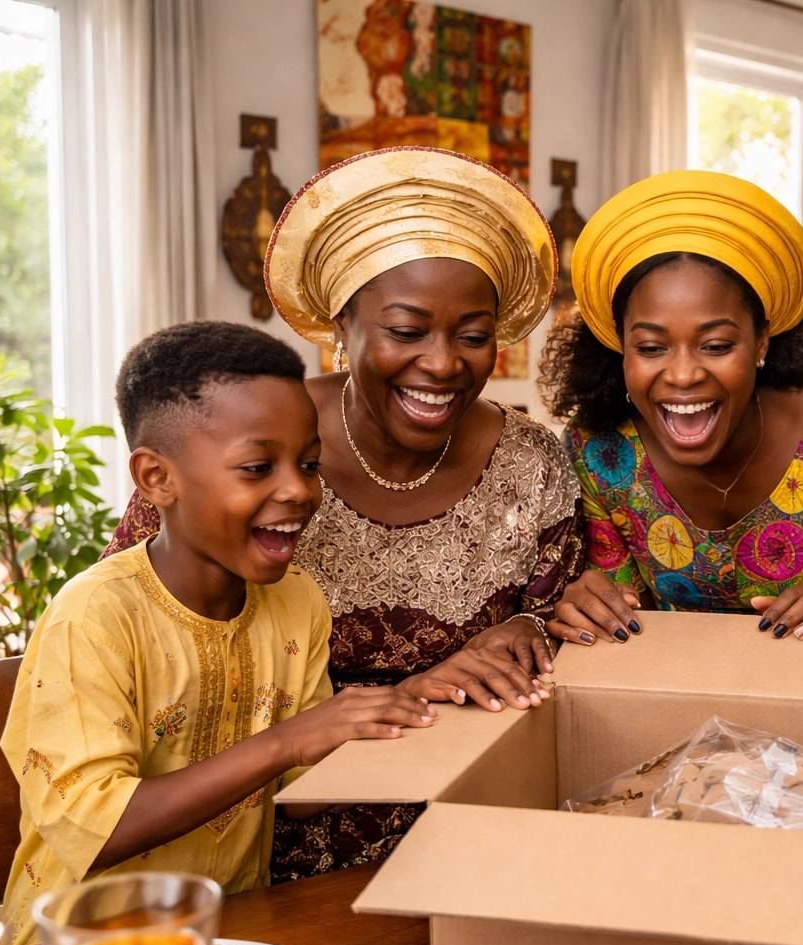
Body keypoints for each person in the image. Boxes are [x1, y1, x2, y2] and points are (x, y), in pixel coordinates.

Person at [101, 146, 583, 879]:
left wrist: (529, 630)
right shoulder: (241, 454)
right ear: (341, 324)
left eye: (474, 336)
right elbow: (133, 636)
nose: (444, 362)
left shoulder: (534, 464)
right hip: (253, 844)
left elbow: (570, 628)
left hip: (474, 829)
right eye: (406, 329)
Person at [0, 324, 437, 945]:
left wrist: (411, 705)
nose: (298, 490)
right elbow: (97, 827)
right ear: (156, 479)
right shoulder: (94, 616)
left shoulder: (296, 600)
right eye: (258, 467)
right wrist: (286, 741)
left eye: (309, 464)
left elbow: (298, 790)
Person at [539, 170, 803, 643]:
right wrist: (590, 609)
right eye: (650, 348)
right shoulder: (599, 452)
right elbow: (621, 629)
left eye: (717, 345)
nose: (683, 375)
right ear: (621, 348)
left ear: (761, 341)